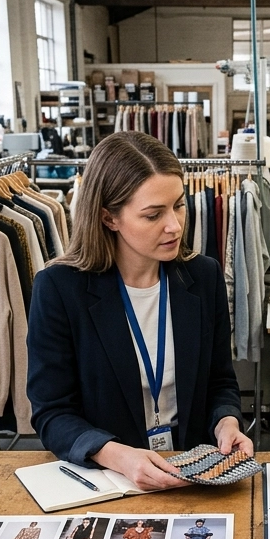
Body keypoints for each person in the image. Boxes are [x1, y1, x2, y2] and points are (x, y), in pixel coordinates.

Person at [26, 132, 252, 491]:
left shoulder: (202, 276)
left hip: (191, 473)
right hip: (109, 481)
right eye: (153, 215)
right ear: (109, 217)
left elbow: (220, 381)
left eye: (178, 205)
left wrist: (227, 422)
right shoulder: (60, 289)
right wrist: (117, 455)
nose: (174, 225)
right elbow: (52, 413)